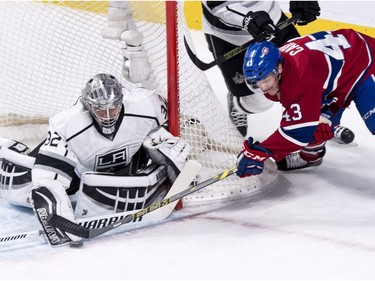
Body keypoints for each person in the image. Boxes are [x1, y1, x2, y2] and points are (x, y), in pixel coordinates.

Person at [0, 74, 190, 246]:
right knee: (17, 184)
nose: (107, 116)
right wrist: (59, 221)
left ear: (121, 100)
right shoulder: (67, 124)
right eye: (100, 110)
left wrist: (163, 144)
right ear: (89, 105)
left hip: (123, 166)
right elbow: (47, 180)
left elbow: (165, 125)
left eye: (113, 108)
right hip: (77, 174)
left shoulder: (148, 104)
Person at [201, 1, 354, 145]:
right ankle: (239, 105)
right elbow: (217, 3)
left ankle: (325, 122)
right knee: (259, 100)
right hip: (229, 36)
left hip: (273, 22)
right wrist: (247, 19)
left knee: (307, 75)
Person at [236, 28, 375, 178]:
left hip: (366, 63)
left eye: (266, 80)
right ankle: (312, 156)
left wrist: (260, 151)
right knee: (318, 128)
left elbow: (297, 133)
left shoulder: (299, 80)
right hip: (341, 74)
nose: (263, 87)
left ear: (279, 68)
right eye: (257, 82)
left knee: (307, 126)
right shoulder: (280, 62)